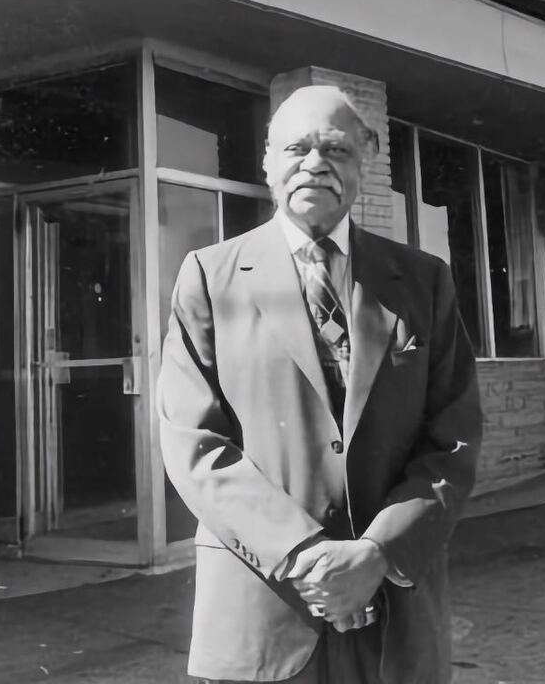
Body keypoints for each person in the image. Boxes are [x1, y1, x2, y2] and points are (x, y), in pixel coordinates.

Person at [157, 85, 482, 684]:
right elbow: (192, 441)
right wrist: (305, 555)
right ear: (266, 162)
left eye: (335, 149)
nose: (315, 164)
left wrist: (378, 553)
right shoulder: (208, 276)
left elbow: (454, 437)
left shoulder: (424, 281)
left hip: (394, 607)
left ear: (365, 161)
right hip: (265, 610)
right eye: (296, 148)